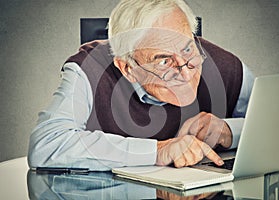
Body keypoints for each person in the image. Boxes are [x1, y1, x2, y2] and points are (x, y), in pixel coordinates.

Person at [28, 0, 254, 171]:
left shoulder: (225, 65)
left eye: (187, 49)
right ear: (127, 68)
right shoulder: (88, 69)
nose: (185, 72)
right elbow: (48, 143)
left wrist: (229, 131)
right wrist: (157, 151)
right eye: (164, 61)